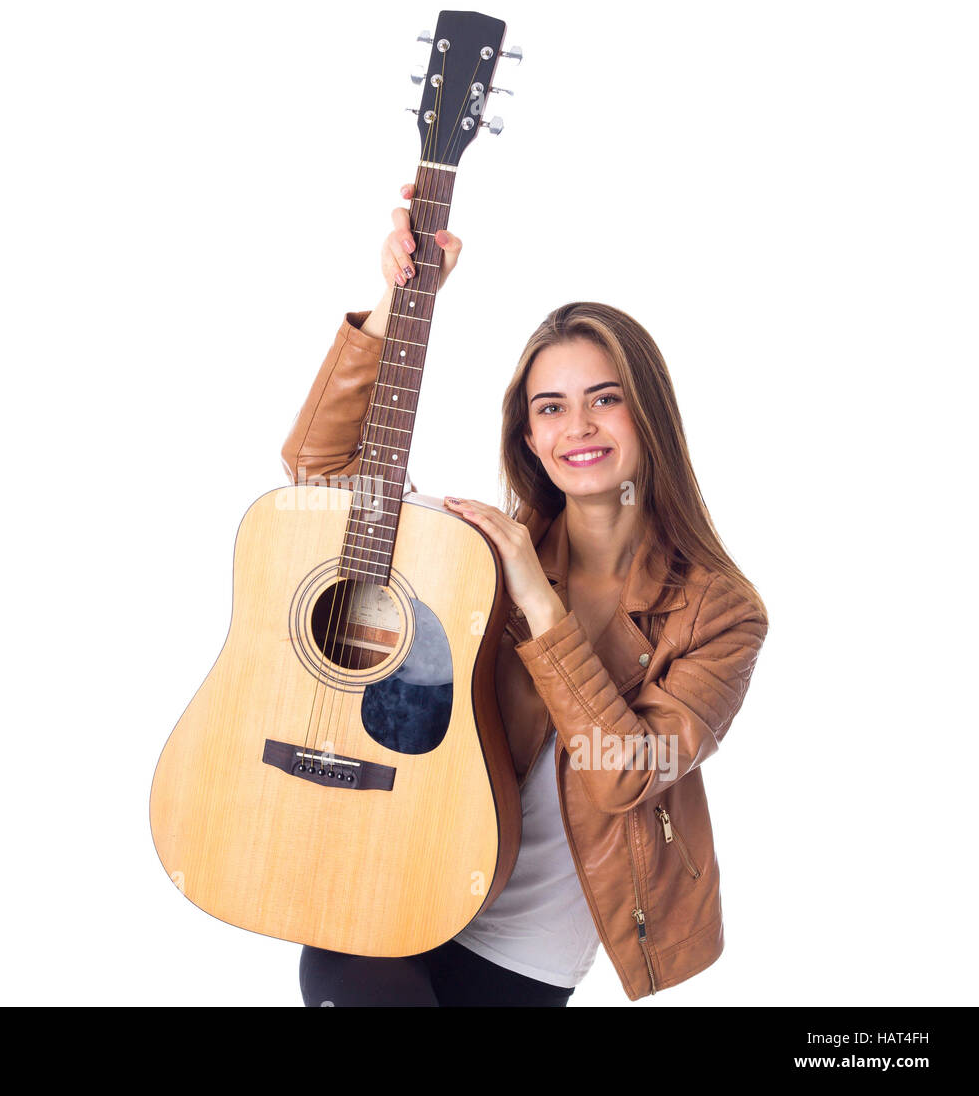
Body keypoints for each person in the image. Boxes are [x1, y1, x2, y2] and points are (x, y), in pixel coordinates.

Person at [281, 183, 769, 1006]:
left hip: (524, 952)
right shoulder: (480, 553)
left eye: (605, 399)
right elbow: (318, 476)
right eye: (551, 408)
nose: (578, 427)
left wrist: (542, 605)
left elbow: (624, 773)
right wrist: (397, 305)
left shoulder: (719, 613)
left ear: (649, 414)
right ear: (530, 437)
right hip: (398, 877)